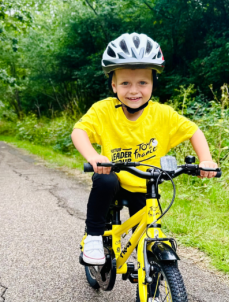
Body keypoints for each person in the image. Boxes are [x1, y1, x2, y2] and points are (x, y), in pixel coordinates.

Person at [71, 33, 218, 265]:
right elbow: (79, 131)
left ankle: (154, 289)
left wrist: (206, 160)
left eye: (142, 82)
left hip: (146, 184)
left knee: (149, 237)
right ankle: (94, 237)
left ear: (153, 83)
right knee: (105, 181)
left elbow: (193, 131)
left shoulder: (163, 114)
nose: (133, 90)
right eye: (125, 83)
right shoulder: (104, 111)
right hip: (114, 180)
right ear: (113, 85)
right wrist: (93, 156)